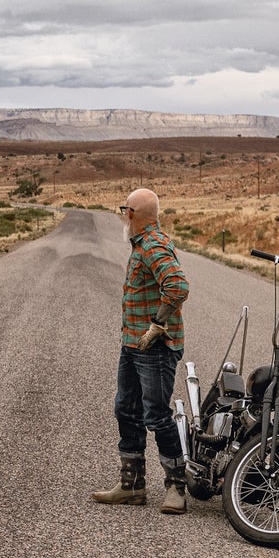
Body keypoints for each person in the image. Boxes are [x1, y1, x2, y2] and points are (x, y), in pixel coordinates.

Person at [90, 187, 191, 515]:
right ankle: (132, 486)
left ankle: (176, 487)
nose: (123, 215)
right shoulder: (143, 243)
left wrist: (157, 325)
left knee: (157, 415)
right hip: (133, 344)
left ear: (132, 214)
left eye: (125, 210)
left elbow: (177, 286)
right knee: (126, 409)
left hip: (155, 348)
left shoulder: (152, 244)